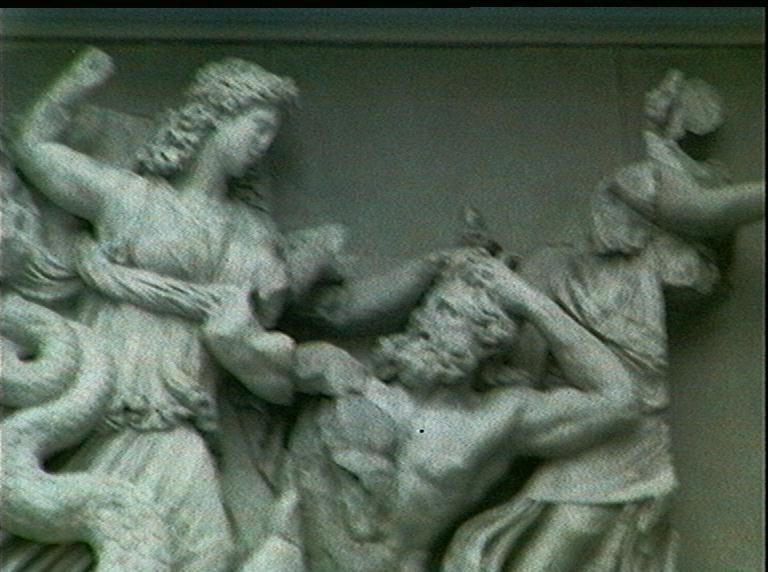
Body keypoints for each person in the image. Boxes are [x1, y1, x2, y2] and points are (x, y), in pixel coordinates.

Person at [1, 47, 446, 571]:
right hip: (111, 401)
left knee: (202, 551)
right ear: (213, 117)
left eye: (271, 134)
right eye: (258, 127)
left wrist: (254, 330)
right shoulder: (130, 198)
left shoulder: (252, 234)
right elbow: (33, 145)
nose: (263, 144)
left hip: (183, 412)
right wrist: (77, 83)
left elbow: (265, 344)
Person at [443, 70, 765, 571]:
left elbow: (702, 219)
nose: (691, 265)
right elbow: (700, 212)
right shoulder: (606, 218)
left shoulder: (637, 281)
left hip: (627, 449)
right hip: (591, 444)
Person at [203, 248, 646, 572]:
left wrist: (527, 300)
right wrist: (286, 275)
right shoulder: (338, 377)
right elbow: (228, 336)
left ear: (488, 342)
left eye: (451, 314)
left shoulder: (495, 421)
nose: (428, 323)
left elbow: (618, 400)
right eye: (430, 309)